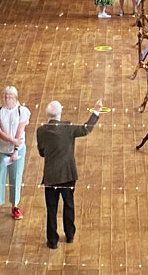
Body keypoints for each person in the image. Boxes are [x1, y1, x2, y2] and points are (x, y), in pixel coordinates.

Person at [36, 98, 103, 250]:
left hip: (51, 177)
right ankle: (70, 234)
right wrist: (96, 110)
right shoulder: (68, 128)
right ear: (60, 113)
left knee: (51, 208)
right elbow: (86, 129)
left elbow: (41, 152)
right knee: (69, 204)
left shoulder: (41, 131)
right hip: (68, 174)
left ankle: (52, 240)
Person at [0, 85, 31, 223]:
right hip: (1, 149)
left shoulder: (22, 111)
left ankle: (15, 206)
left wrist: (16, 149)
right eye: (4, 96)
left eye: (9, 96)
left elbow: (20, 131)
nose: (6, 98)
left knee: (16, 177)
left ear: (15, 98)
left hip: (18, 149)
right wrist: (12, 140)